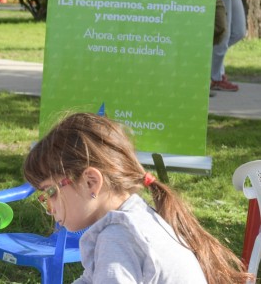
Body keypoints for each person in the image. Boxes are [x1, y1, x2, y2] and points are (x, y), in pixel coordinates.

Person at [23, 112, 251, 284]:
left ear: (91, 181)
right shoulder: (136, 217)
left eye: (50, 192)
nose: (49, 206)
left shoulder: (119, 236)